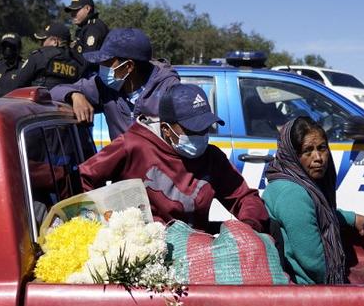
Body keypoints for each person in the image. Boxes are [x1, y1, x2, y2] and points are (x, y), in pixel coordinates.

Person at [78, 83, 269, 234]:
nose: (201, 135)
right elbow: (85, 176)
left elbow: (244, 198)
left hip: (194, 255)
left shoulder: (212, 158)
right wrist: (101, 225)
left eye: (205, 128)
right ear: (166, 130)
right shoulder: (133, 146)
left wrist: (248, 228)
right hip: (142, 253)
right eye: (192, 129)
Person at [262, 116, 364, 285]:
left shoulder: (294, 183)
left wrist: (351, 219)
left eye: (322, 148)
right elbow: (315, 264)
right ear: (292, 154)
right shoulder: (293, 194)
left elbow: (316, 215)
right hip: (307, 293)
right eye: (307, 151)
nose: (318, 158)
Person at [51, 28, 180, 140]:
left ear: (128, 66)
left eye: (107, 62)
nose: (100, 66)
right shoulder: (103, 86)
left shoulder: (168, 90)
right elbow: (54, 92)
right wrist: (74, 95)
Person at [13, 22, 85, 90]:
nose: (41, 44)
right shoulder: (78, 61)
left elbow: (18, 83)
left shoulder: (40, 56)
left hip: (40, 101)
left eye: (43, 40)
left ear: (54, 41)